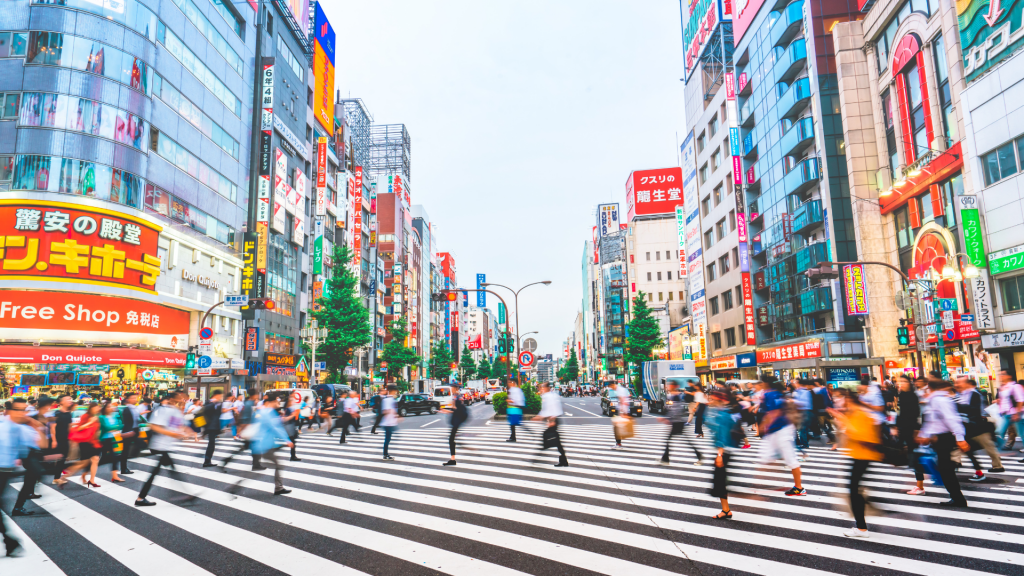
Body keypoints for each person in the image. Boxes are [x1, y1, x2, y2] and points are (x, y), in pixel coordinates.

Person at [828, 389, 883, 538]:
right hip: (858, 455)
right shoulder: (855, 412)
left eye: (839, 398)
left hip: (863, 456)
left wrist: (842, 419)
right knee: (855, 489)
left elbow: (859, 435)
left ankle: (862, 527)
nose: (836, 401)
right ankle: (863, 522)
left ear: (847, 399)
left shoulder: (859, 413)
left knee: (854, 490)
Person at [1, 398, 47, 556]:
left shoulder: (21, 429)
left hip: (4, 472)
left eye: (25, 410)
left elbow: (40, 444)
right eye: (19, 410)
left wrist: (33, 423)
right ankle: (10, 542)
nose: (23, 413)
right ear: (10, 411)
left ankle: (10, 542)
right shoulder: (1, 423)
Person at [918, 380, 970, 507]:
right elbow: (932, 421)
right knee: (945, 469)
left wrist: (960, 438)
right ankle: (957, 497)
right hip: (940, 438)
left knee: (946, 470)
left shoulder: (940, 400)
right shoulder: (936, 400)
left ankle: (958, 499)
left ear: (931, 388)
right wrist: (924, 435)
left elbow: (952, 419)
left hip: (944, 438)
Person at [136, 391, 192, 507]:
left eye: (184, 399)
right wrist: (173, 434)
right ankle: (141, 498)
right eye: (181, 398)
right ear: (172, 399)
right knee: (163, 472)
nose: (183, 400)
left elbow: (181, 425)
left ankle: (142, 498)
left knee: (166, 471)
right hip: (160, 446)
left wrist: (188, 433)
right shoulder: (163, 410)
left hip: (167, 446)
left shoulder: (175, 412)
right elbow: (154, 426)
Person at [755, 376, 805, 496]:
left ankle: (799, 487)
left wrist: (762, 426)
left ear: (767, 383)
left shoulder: (770, 394)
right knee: (766, 457)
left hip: (781, 429)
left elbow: (774, 412)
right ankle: (766, 486)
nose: (761, 384)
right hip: (779, 429)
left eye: (762, 382)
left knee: (790, 459)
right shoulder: (777, 393)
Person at [955, 377, 1004, 478]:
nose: (957, 385)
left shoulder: (975, 394)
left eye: (959, 383)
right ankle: (957, 462)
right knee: (960, 445)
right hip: (965, 425)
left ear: (967, 383)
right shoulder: (958, 394)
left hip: (977, 426)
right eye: (956, 383)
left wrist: (961, 407)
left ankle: (997, 466)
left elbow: (976, 409)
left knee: (988, 445)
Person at [706, 390, 740, 519]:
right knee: (720, 482)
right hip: (726, 450)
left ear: (718, 400)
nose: (711, 401)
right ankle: (726, 510)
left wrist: (719, 455)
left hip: (724, 452)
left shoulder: (723, 415)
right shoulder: (723, 412)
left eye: (713, 399)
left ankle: (726, 510)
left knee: (720, 482)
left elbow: (723, 436)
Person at [893, 375, 927, 495]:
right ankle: (919, 485)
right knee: (909, 455)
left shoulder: (912, 395)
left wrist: (917, 431)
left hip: (911, 429)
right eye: (899, 381)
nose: (901, 383)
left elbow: (916, 413)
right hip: (904, 429)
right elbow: (900, 413)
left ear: (909, 383)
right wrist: (896, 427)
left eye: (904, 381)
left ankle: (920, 486)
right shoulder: (902, 394)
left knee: (914, 457)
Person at [58, 402, 102, 488]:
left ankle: (91, 480)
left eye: (98, 408)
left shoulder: (97, 417)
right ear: (91, 408)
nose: (98, 409)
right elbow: (79, 428)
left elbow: (96, 430)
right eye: (96, 407)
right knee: (84, 463)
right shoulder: (85, 416)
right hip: (85, 442)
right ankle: (64, 476)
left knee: (95, 460)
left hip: (94, 442)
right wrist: (90, 422)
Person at [659, 381, 702, 465]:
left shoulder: (676, 396)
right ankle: (665, 459)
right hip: (677, 422)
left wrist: (668, 419)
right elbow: (672, 409)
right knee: (684, 441)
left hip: (677, 423)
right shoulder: (674, 395)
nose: (668, 386)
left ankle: (665, 459)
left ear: (674, 386)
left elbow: (676, 410)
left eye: (670, 385)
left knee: (669, 441)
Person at [532, 382, 568, 467]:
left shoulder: (548, 397)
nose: (541, 389)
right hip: (553, 420)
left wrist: (551, 420)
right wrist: (539, 417)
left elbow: (551, 409)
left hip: (553, 420)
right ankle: (563, 460)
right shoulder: (551, 395)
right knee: (557, 441)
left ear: (547, 388)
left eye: (542, 388)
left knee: (549, 439)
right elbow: (545, 410)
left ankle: (540, 454)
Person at [996, 370, 1024, 450]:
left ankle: (1001, 451)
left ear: (1009, 376)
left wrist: (1017, 413)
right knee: (998, 433)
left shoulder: (1015, 386)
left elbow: (1020, 400)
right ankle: (998, 453)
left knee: (1022, 434)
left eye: (1003, 374)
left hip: (1015, 413)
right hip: (1006, 414)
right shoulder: (1003, 387)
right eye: (1000, 374)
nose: (1001, 376)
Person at [49, 394, 74, 486]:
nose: (70, 400)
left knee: (62, 459)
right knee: (58, 459)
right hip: (58, 440)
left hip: (65, 439)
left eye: (70, 399)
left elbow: (69, 427)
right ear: (61, 402)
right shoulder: (57, 414)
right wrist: (54, 440)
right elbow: (52, 428)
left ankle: (56, 478)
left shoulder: (68, 414)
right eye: (67, 399)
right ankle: (55, 478)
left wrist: (71, 439)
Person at [98, 401, 126, 483]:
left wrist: (114, 427)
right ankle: (85, 472)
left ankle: (115, 476)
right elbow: (106, 428)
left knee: (115, 457)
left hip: (112, 439)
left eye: (111, 406)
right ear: (105, 409)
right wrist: (114, 427)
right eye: (109, 407)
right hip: (103, 440)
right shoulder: (102, 417)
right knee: (99, 459)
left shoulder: (113, 416)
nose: (111, 408)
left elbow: (121, 425)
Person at [118, 392, 145, 473]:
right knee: (125, 451)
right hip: (129, 432)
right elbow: (127, 422)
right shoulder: (127, 409)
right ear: (128, 400)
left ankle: (133, 454)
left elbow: (137, 419)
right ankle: (123, 468)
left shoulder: (135, 408)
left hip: (135, 431)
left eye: (135, 398)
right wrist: (129, 431)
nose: (135, 399)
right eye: (133, 398)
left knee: (141, 444)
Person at [441, 388, 469, 466]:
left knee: (451, 440)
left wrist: (446, 410)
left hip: (456, 422)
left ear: (455, 389)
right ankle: (453, 459)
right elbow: (455, 410)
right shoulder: (456, 397)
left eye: (453, 388)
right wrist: (444, 410)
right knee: (451, 440)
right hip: (456, 422)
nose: (451, 389)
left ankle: (453, 460)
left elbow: (456, 410)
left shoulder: (457, 398)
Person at [201, 390, 224, 468]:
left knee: (211, 444)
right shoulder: (209, 403)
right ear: (216, 395)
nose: (220, 397)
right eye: (220, 396)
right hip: (210, 427)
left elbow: (218, 414)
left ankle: (208, 461)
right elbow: (205, 411)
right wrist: (213, 403)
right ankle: (207, 461)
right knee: (211, 444)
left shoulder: (218, 404)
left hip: (214, 427)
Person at [792, 379, 814, 454]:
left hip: (804, 411)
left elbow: (805, 403)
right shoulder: (797, 391)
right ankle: (803, 442)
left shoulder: (805, 392)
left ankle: (804, 444)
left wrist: (793, 401)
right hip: (800, 411)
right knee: (801, 428)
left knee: (802, 428)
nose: (794, 384)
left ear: (799, 384)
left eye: (795, 382)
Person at [380, 386, 399, 461]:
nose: (396, 393)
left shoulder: (389, 399)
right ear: (393, 391)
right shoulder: (388, 400)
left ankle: (385, 454)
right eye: (395, 391)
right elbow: (385, 411)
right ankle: (385, 454)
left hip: (390, 422)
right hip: (388, 423)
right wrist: (392, 412)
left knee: (388, 438)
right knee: (387, 439)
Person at [283, 393, 301, 462]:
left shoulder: (290, 408)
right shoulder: (287, 409)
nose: (293, 401)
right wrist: (292, 415)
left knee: (293, 441)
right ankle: (293, 456)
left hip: (291, 426)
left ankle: (293, 456)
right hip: (289, 427)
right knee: (292, 442)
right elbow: (285, 418)